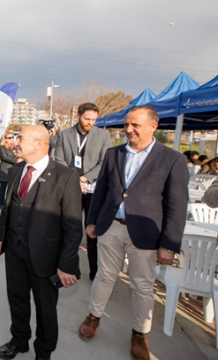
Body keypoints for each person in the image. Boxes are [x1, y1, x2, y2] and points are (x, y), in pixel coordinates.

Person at [78, 105, 189, 360]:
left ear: (153, 126)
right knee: (104, 276)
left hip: (146, 235)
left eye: (135, 125)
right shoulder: (114, 153)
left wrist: (169, 244)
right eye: (127, 125)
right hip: (111, 228)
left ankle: (139, 333)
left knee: (142, 286)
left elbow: (176, 205)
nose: (129, 130)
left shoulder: (173, 159)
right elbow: (101, 191)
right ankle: (93, 317)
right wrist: (92, 221)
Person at [0, 125, 82, 360]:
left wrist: (67, 264)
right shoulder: (16, 169)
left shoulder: (66, 176)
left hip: (45, 257)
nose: (15, 142)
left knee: (45, 309)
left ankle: (43, 352)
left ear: (38, 143)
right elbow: (8, 208)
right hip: (14, 250)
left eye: (20, 138)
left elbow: (73, 226)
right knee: (17, 299)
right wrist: (0, 236)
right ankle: (19, 340)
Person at [54, 103, 112, 281]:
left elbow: (105, 162)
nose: (90, 122)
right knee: (67, 228)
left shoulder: (103, 135)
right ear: (78, 116)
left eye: (94, 119)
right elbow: (59, 160)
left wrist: (84, 178)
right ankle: (63, 264)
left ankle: (94, 272)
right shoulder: (64, 134)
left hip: (92, 189)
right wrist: (73, 181)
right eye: (87, 119)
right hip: (70, 189)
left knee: (91, 231)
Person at [0, 129, 18, 209]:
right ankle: (1, 202)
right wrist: (16, 160)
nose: (11, 139)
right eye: (9, 138)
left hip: (13, 170)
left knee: (11, 188)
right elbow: (4, 157)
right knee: (3, 187)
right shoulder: (1, 147)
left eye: (12, 137)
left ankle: (8, 202)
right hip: (5, 169)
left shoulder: (14, 147)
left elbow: (18, 155)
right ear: (5, 139)